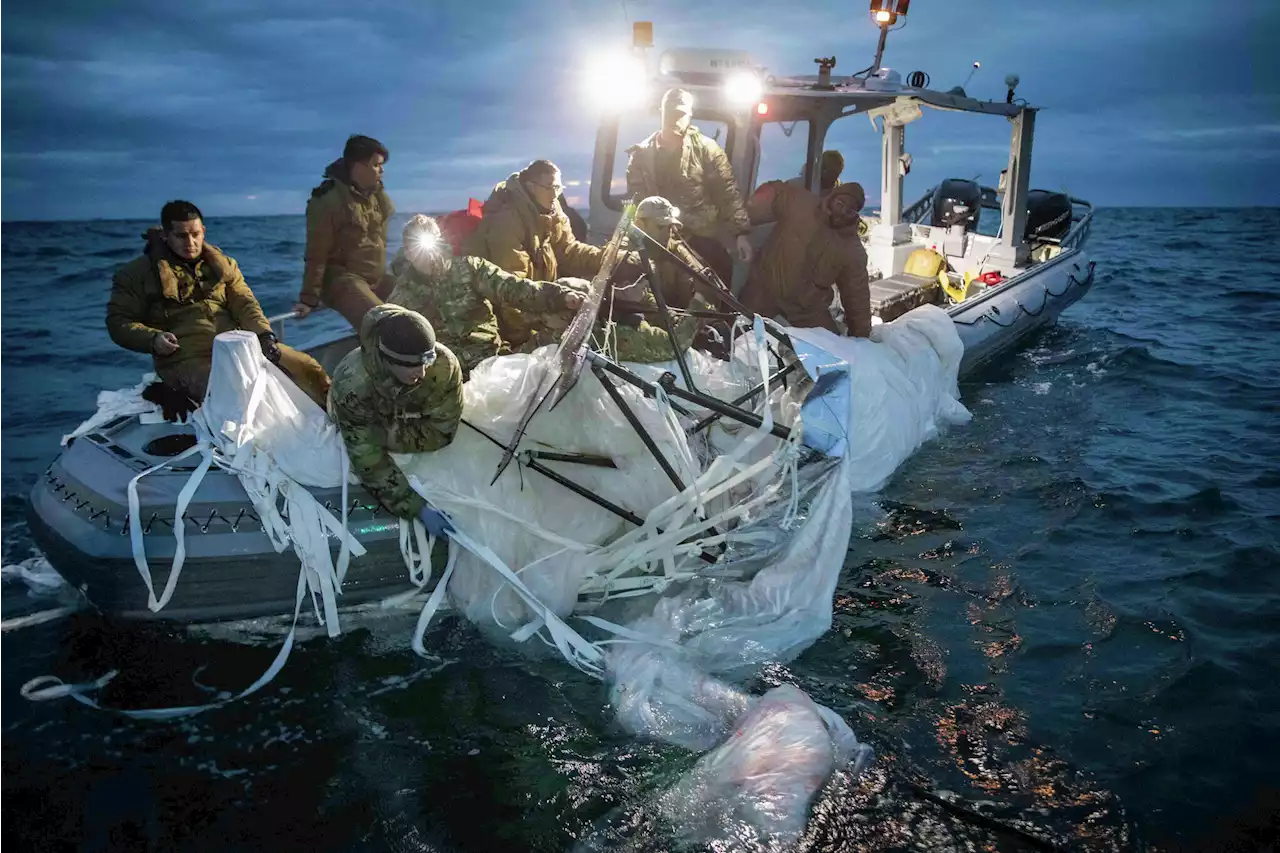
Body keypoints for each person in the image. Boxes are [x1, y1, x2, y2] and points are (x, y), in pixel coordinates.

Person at [106, 200, 331, 418]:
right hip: (183, 358)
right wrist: (153, 339)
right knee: (236, 396)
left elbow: (245, 304)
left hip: (237, 347)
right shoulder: (136, 274)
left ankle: (338, 417)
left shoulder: (224, 265)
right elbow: (119, 322)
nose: (190, 242)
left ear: (203, 230)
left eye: (195, 234)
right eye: (181, 236)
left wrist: (265, 336)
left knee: (307, 367)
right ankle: (168, 390)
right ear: (165, 235)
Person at [388, 215, 584, 377]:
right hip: (447, 378)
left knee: (564, 317)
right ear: (407, 253)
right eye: (417, 247)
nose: (427, 255)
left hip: (492, 361)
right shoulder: (401, 298)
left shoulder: (470, 268)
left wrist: (559, 296)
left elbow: (512, 288)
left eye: (431, 244)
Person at [328, 304, 463, 538]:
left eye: (425, 361)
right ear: (387, 360)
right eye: (410, 365)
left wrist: (389, 432)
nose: (421, 373)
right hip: (361, 415)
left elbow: (443, 431)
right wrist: (416, 508)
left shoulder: (443, 365)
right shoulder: (352, 385)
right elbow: (367, 458)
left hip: (395, 416)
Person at [461, 159, 610, 349]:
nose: (555, 194)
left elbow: (569, 251)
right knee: (566, 307)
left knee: (585, 292)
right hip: (507, 319)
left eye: (558, 187)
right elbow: (511, 292)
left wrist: (608, 259)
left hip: (535, 300)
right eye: (549, 187)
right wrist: (529, 337)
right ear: (531, 187)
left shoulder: (552, 214)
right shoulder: (506, 222)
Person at [624, 88, 753, 290]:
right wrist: (630, 234)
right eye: (671, 113)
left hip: (699, 236)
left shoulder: (707, 150)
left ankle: (718, 320)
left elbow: (727, 192)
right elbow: (635, 201)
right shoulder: (640, 155)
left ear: (690, 115)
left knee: (717, 279)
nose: (675, 119)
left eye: (681, 114)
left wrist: (741, 234)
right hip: (657, 238)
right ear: (661, 112)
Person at [739, 180, 872, 337]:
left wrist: (861, 336)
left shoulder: (852, 249)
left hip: (805, 309)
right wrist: (740, 227)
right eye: (840, 203)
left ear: (855, 215)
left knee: (832, 351)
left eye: (850, 210)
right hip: (764, 288)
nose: (842, 211)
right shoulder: (801, 202)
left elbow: (857, 295)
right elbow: (774, 192)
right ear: (832, 198)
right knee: (735, 329)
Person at [294, 135, 396, 329]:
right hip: (343, 280)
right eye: (376, 165)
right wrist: (308, 299)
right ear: (358, 166)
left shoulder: (374, 195)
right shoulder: (327, 200)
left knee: (418, 303)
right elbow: (316, 253)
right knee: (385, 324)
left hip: (375, 277)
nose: (382, 171)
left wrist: (378, 188)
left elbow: (386, 217)